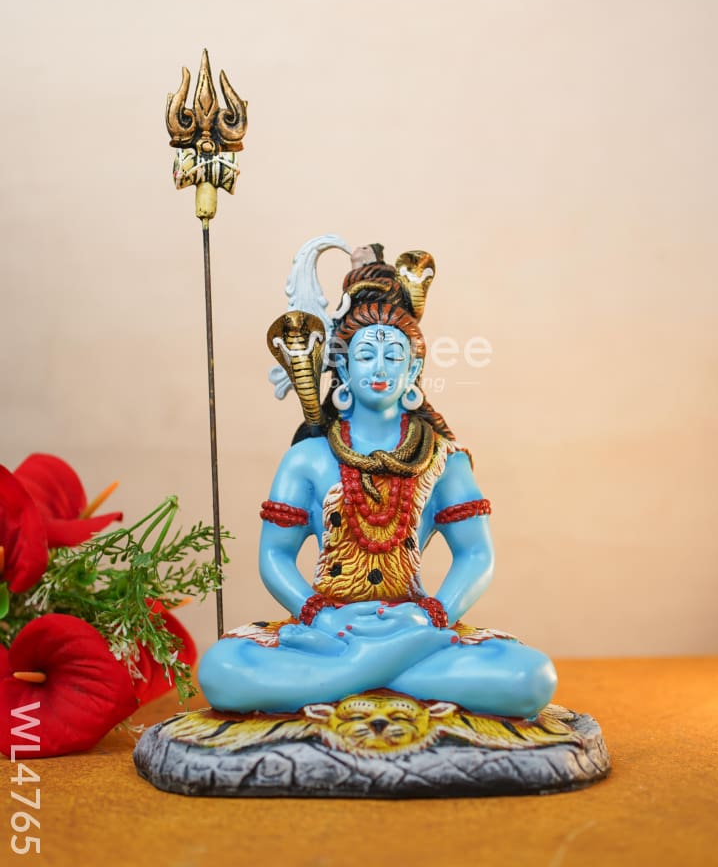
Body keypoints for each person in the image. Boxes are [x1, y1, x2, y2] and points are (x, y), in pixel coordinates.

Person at [198, 245, 557, 719]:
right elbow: (275, 557)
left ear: (414, 370)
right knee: (222, 668)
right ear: (343, 368)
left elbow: (476, 555)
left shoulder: (442, 458)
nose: (381, 367)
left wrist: (432, 614)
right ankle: (389, 673)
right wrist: (320, 614)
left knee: (530, 677)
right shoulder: (307, 458)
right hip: (329, 630)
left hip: (415, 625)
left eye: (394, 355)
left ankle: (343, 678)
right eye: (367, 354)